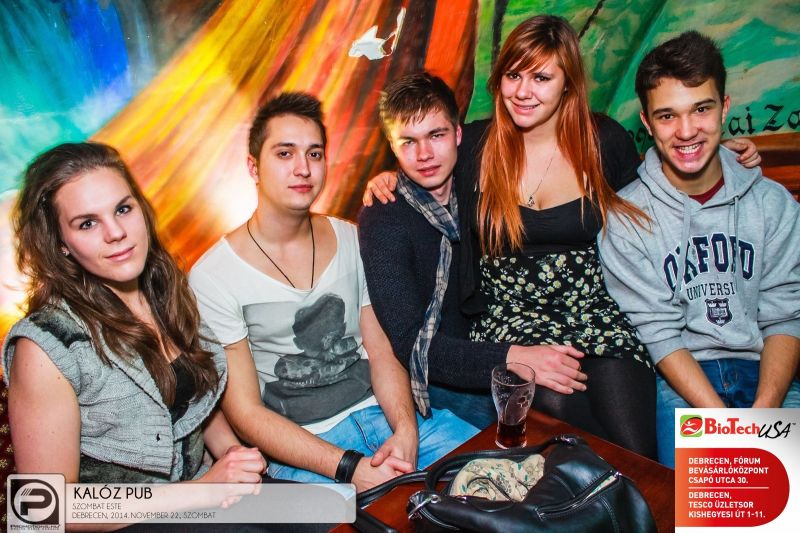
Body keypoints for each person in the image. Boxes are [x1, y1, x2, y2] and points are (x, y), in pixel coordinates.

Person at [362, 16, 760, 458]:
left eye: (541, 77)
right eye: (514, 75)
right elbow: (424, 155)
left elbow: (656, 191)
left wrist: (717, 156)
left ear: (567, 82)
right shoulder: (476, 145)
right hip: (512, 320)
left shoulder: (602, 140)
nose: (523, 91)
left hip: (599, 312)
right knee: (578, 438)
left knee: (636, 446)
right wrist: (388, 178)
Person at [188, 92, 476, 492]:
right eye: (285, 153)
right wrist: (349, 468)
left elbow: (381, 351)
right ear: (253, 167)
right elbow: (247, 413)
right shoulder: (213, 276)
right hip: (305, 450)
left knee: (507, 481)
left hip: (386, 417)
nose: (303, 168)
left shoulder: (353, 238)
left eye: (315, 154)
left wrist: (406, 431)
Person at [2, 142, 266, 526]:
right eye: (87, 223)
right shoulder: (44, 348)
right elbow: (44, 507)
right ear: (60, 244)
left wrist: (234, 459)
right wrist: (203, 490)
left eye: (123, 209)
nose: (116, 233)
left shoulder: (167, 291)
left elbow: (195, 405)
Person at [598, 31, 800, 467]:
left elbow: (785, 314)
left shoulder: (773, 204)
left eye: (701, 109)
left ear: (724, 108)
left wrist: (764, 414)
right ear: (647, 123)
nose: (687, 131)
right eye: (667, 116)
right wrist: (724, 425)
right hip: (684, 381)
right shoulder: (627, 219)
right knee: (711, 503)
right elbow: (659, 333)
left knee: (788, 499)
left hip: (770, 373)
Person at [358, 72, 587, 430]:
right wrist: (515, 356)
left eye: (436, 135)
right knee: (551, 414)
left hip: (509, 332)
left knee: (592, 395)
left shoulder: (476, 177)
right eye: (408, 142)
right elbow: (411, 343)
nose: (424, 155)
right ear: (392, 146)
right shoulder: (384, 217)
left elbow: (543, 124)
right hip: (443, 374)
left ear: (458, 134)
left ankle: (654, 465)